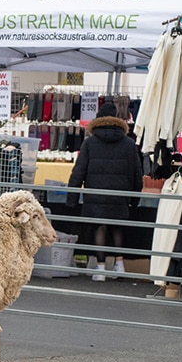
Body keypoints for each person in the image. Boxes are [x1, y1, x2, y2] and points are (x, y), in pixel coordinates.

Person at [66, 101, 143, 281]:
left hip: (96, 195)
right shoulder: (129, 144)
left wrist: (72, 200)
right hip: (120, 195)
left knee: (99, 228)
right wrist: (134, 199)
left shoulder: (90, 143)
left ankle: (100, 270)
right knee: (117, 228)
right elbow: (137, 173)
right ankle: (120, 266)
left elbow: (78, 172)